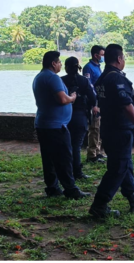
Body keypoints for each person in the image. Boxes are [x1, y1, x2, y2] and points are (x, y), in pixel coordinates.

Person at [89, 44, 134, 218]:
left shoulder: (102, 78)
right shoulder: (116, 78)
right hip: (119, 129)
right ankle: (99, 204)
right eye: (123, 58)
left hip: (109, 128)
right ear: (118, 59)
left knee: (125, 165)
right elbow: (126, 105)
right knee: (118, 168)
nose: (124, 61)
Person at [32, 51, 91, 199]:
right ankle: (71, 189)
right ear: (53, 63)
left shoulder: (39, 77)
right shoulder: (53, 78)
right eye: (58, 62)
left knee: (49, 158)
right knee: (64, 158)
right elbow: (62, 99)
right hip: (56, 126)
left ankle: (52, 188)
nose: (60, 65)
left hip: (44, 123)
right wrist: (72, 97)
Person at [61, 57, 97, 180]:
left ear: (66, 67)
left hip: (64, 117)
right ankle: (77, 172)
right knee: (76, 146)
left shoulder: (61, 81)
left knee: (66, 146)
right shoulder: (84, 81)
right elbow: (93, 98)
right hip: (80, 116)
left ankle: (65, 171)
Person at [83, 45, 106, 163]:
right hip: (93, 103)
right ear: (96, 55)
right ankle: (92, 155)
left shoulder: (98, 67)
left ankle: (98, 151)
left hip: (100, 102)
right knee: (94, 128)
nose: (103, 57)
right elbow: (88, 87)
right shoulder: (88, 68)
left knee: (99, 128)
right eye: (102, 54)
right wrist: (93, 105)